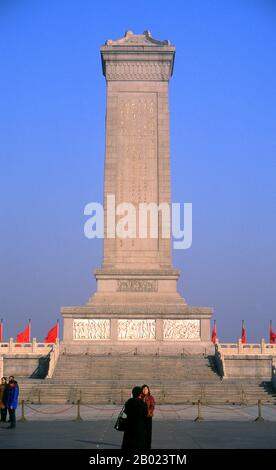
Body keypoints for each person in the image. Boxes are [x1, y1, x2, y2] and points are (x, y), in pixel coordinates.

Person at [121, 386, 147, 450]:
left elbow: (125, 413)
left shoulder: (129, 402)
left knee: (128, 444)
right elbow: (145, 414)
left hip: (130, 426)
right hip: (140, 426)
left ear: (133, 393)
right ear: (140, 393)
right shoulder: (142, 403)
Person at [141, 384, 155, 449]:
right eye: (143, 389)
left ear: (148, 390)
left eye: (146, 389)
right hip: (141, 417)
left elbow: (152, 406)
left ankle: (148, 445)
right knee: (141, 431)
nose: (145, 390)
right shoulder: (140, 397)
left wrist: (148, 412)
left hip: (148, 416)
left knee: (148, 432)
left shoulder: (151, 397)